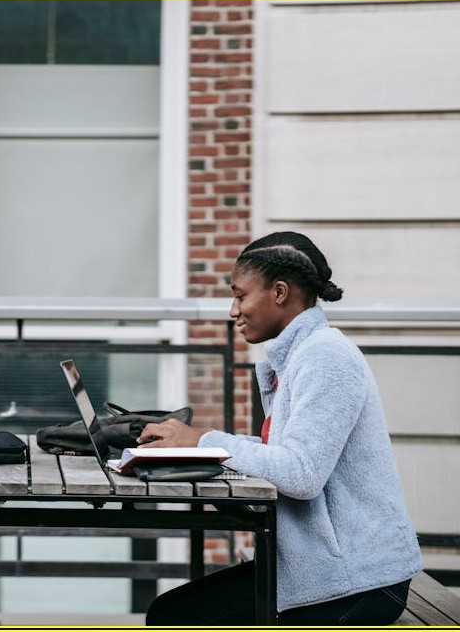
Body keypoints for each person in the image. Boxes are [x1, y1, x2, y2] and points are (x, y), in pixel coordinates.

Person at [140, 231, 422, 626]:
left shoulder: (326, 356)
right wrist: (198, 447)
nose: (233, 310)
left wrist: (205, 441)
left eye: (240, 295)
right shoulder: (302, 355)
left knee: (176, 618)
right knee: (170, 612)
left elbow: (302, 473)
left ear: (279, 292)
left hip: (358, 582)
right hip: (320, 571)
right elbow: (286, 451)